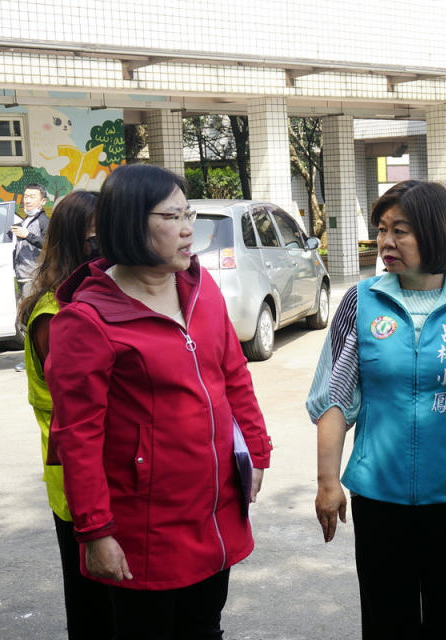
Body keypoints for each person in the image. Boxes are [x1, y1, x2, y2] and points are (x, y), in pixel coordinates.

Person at [45, 164, 272, 640]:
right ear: (129, 222)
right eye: (173, 216)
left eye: (189, 213)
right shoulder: (87, 321)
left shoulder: (200, 287)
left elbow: (233, 375)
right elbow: (77, 437)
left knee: (205, 627)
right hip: (145, 525)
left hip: (213, 508)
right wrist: (96, 531)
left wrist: (257, 452)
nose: (189, 228)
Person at [308, 180, 446, 640]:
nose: (386, 242)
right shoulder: (359, 302)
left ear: (435, 233)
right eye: (382, 230)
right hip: (378, 497)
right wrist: (328, 483)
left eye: (400, 230)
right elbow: (334, 398)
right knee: (388, 623)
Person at [16, 190, 114, 640]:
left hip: (110, 476)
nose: (106, 250)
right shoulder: (55, 314)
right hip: (77, 484)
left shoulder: (96, 299)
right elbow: (80, 406)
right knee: (94, 606)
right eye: (96, 240)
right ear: (75, 244)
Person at [12, 183, 50, 371]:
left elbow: (49, 245)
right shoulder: (24, 220)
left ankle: (34, 361)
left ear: (43, 201)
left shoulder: (44, 222)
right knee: (22, 320)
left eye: (32, 196)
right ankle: (33, 359)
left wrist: (28, 236)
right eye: (25, 196)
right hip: (21, 278)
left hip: (34, 278)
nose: (27, 199)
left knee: (29, 320)